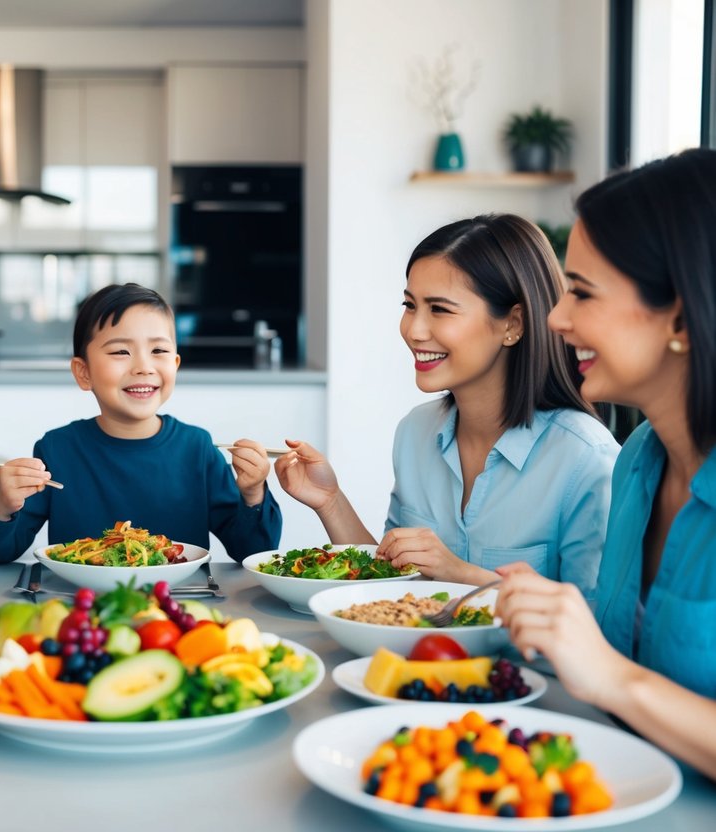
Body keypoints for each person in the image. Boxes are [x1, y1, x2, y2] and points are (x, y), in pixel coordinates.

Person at [497, 149, 716, 778]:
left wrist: (610, 675)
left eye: (582, 293)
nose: (556, 318)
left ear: (679, 314)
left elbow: (614, 676)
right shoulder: (639, 462)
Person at [277, 214, 618, 595]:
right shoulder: (415, 432)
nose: (414, 330)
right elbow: (390, 579)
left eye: (439, 309)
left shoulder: (585, 457)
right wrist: (330, 501)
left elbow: (597, 623)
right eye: (410, 305)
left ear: (513, 324)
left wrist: (461, 573)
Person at [0, 283, 281, 563]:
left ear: (175, 364)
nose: (143, 366)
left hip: (179, 610)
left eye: (158, 350)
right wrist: (4, 505)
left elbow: (252, 550)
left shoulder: (197, 448)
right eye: (120, 351)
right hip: (83, 610)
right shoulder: (57, 449)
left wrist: (253, 494)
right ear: (83, 372)